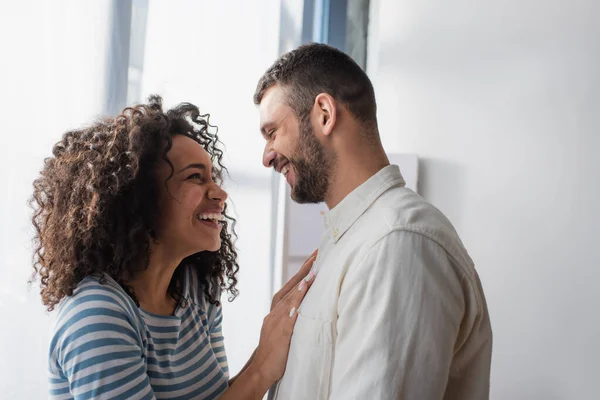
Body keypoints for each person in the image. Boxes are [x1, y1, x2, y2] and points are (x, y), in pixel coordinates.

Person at [31, 96, 317, 400]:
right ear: (139, 199)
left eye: (213, 177)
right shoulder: (96, 316)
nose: (220, 193)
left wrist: (268, 346)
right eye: (195, 177)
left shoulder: (197, 287)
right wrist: (261, 367)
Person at [254, 43, 493, 400]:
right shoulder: (353, 239)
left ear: (323, 113)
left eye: (272, 132)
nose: (266, 156)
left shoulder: (397, 244)